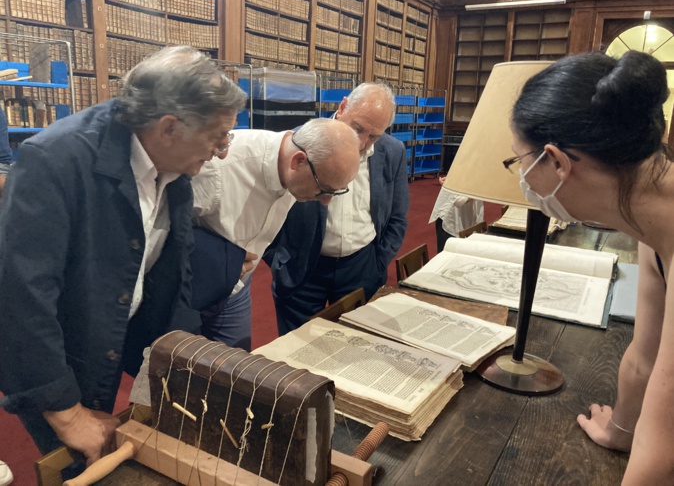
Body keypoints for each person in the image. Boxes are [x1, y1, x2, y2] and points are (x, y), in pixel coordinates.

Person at [0, 45, 247, 466]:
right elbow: (19, 297)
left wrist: (184, 365)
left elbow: (174, 274)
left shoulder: (175, 162)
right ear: (169, 127)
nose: (223, 149)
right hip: (59, 354)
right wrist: (66, 412)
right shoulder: (56, 160)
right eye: (218, 135)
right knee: (83, 462)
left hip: (116, 335)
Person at [510, 50, 672, 484]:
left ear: (557, 162)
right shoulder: (652, 223)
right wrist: (620, 429)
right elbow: (645, 358)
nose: (521, 178)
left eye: (519, 161)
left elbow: (662, 453)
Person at [190, 117, 361, 349]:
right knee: (177, 365)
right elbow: (163, 235)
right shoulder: (217, 169)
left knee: (235, 367)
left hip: (237, 291)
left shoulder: (296, 163)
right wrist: (222, 263)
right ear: (298, 161)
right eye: (324, 190)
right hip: (192, 292)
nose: (326, 202)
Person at [266, 82, 409, 335]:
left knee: (359, 345)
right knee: (297, 348)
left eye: (374, 136)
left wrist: (379, 261)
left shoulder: (392, 151)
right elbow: (267, 208)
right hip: (303, 268)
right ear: (342, 107)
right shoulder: (299, 141)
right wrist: (280, 259)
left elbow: (398, 215)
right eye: (358, 128)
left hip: (362, 266)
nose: (362, 142)